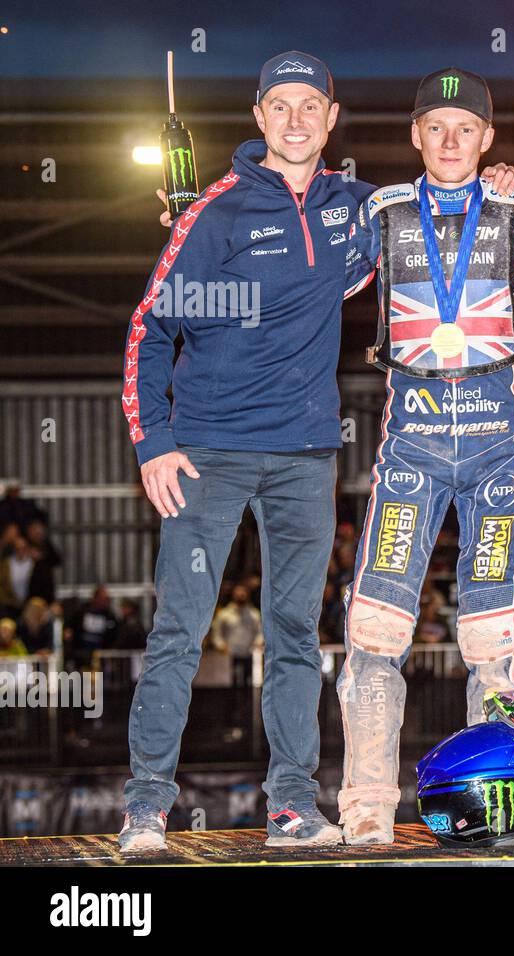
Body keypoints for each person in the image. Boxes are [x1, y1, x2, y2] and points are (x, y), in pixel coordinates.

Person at [117, 51, 379, 853]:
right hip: (209, 453)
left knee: (296, 635)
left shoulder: (358, 209)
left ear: (331, 120)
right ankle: (146, 810)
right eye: (280, 105)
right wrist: (154, 442)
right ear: (259, 118)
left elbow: (435, 216)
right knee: (180, 632)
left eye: (311, 105)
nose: (296, 119)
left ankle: (293, 809)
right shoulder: (214, 215)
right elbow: (147, 331)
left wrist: (502, 186)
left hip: (305, 456)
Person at [335, 67, 514, 845]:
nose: (451, 140)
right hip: (411, 447)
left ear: (489, 139)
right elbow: (302, 269)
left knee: (493, 639)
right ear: (414, 135)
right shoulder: (381, 212)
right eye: (436, 126)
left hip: (496, 449)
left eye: (467, 128)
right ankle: (364, 808)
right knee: (374, 633)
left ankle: (489, 802)